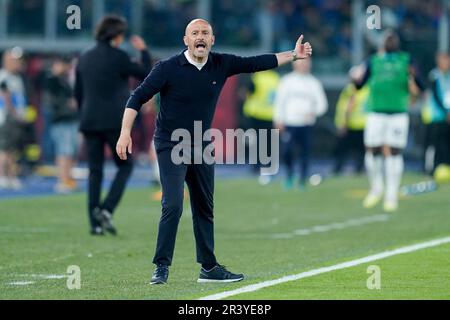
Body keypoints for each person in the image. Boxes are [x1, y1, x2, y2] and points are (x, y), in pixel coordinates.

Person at [116, 19, 312, 284]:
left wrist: (293, 55)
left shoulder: (221, 63)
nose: (200, 37)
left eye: (205, 33)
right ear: (186, 40)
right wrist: (125, 132)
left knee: (204, 207)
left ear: (212, 40)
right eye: (194, 33)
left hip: (202, 146)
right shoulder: (167, 68)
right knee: (172, 204)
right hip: (171, 144)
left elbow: (256, 62)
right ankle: (161, 267)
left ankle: (208, 268)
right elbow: (136, 97)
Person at [74, 15, 152, 236]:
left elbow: (78, 93)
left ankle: (95, 224)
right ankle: (107, 209)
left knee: (94, 172)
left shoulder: (85, 57)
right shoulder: (119, 56)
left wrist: (83, 117)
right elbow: (147, 75)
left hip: (89, 121)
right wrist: (144, 51)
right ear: (117, 36)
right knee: (125, 166)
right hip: (114, 122)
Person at [357, 31, 423, 212]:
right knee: (372, 150)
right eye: (387, 38)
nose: (391, 40)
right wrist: (355, 77)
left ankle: (391, 194)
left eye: (393, 38)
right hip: (376, 112)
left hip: (398, 113)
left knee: (394, 152)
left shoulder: (407, 60)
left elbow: (420, 85)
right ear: (382, 43)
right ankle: (376, 187)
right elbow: (359, 84)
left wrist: (414, 81)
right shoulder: (373, 61)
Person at [274, 58, 327, 190]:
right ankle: (289, 176)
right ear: (295, 64)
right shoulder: (287, 81)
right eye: (301, 63)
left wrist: (313, 112)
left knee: (305, 152)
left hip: (306, 124)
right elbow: (280, 102)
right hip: (290, 123)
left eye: (306, 63)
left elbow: (322, 105)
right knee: (287, 151)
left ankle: (303, 179)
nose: (303, 66)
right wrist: (278, 119)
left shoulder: (314, 83)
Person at [44, 56, 79, 193]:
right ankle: (62, 181)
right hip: (60, 120)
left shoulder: (65, 80)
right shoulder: (50, 80)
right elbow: (51, 101)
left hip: (71, 119)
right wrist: (68, 104)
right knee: (63, 151)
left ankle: (69, 180)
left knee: (71, 151)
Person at [242, 69, 280, 185]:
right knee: (268, 143)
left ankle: (255, 167)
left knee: (255, 143)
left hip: (255, 114)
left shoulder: (257, 77)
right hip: (270, 114)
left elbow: (249, 92)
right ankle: (267, 166)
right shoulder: (276, 78)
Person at [333, 65, 369, 175]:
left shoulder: (366, 89)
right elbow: (343, 108)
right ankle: (339, 168)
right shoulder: (350, 90)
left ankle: (359, 169)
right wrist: (342, 123)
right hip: (350, 125)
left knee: (360, 152)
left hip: (362, 125)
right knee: (343, 150)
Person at [0, 48, 27, 190]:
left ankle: (11, 176)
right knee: (4, 149)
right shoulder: (3, 76)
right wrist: (15, 114)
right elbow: (6, 97)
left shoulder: (17, 78)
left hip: (15, 119)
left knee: (12, 150)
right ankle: (2, 176)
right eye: (15, 60)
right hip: (6, 119)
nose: (19, 63)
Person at [421, 52, 450, 172]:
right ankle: (430, 169)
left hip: (447, 117)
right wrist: (446, 112)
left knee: (446, 144)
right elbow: (437, 96)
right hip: (435, 117)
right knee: (433, 145)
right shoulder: (434, 76)